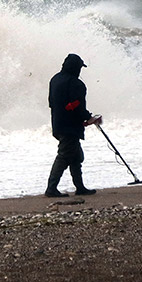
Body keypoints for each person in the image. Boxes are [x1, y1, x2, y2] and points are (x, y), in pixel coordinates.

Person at [45, 53, 102, 197]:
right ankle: (51, 188)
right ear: (76, 68)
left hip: (58, 123)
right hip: (70, 127)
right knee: (64, 156)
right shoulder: (76, 84)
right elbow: (77, 106)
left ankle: (80, 187)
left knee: (76, 156)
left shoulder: (54, 79)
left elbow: (52, 103)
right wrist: (89, 118)